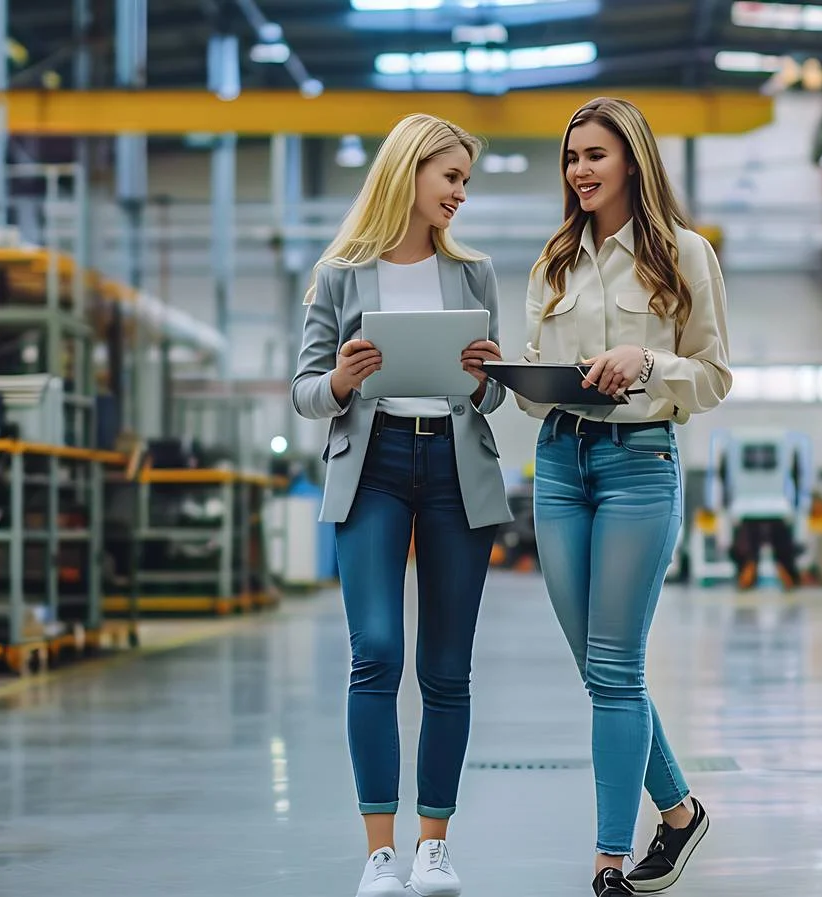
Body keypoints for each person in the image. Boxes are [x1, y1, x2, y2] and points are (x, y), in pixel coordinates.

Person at [516, 96, 732, 897]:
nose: (580, 171)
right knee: (601, 671)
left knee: (614, 666)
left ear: (632, 161)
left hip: (641, 463)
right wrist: (509, 376)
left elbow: (711, 377)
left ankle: (609, 860)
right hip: (560, 466)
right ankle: (678, 812)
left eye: (595, 155)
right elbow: (537, 395)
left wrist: (648, 363)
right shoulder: (552, 265)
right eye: (572, 158)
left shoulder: (684, 254)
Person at [291, 113, 512, 897]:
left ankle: (433, 846)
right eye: (450, 177)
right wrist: (344, 381)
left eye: (464, 181)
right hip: (373, 464)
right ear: (408, 172)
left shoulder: (475, 272)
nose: (459, 193)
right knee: (376, 651)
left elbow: (491, 396)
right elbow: (306, 391)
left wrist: (489, 377)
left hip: (455, 468)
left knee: (447, 666)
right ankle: (380, 853)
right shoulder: (341, 272)